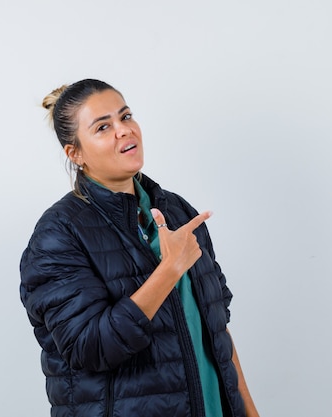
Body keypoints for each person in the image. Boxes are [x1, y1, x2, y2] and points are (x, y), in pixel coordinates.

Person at [20, 79, 259, 417]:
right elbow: (89, 349)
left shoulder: (176, 211)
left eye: (126, 116)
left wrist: (249, 411)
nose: (124, 131)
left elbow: (217, 329)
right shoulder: (58, 234)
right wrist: (169, 270)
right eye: (103, 127)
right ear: (75, 154)